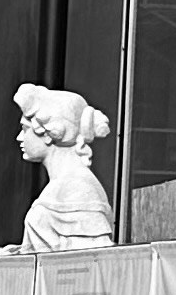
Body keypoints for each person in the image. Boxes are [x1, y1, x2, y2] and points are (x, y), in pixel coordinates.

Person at [10, 85, 114, 251]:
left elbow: (91, 261)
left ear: (48, 133)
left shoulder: (77, 190)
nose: (19, 137)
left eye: (24, 129)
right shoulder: (66, 187)